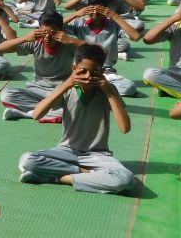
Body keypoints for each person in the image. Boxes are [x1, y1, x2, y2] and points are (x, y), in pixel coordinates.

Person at [18, 44, 134, 194]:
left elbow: (125, 128)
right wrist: (66, 85)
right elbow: (37, 114)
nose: (88, 76)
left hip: (97, 155)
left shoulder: (109, 90)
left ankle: (55, 177)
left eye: (94, 72)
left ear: (102, 71)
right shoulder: (67, 88)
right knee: (27, 160)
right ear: (74, 69)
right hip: (66, 151)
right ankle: (86, 174)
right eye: (82, 71)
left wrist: (109, 92)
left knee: (125, 179)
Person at [0, 11, 84, 122]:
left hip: (61, 90)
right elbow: (0, 48)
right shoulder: (35, 42)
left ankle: (28, 113)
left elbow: (100, 52)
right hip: (37, 89)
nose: (47, 36)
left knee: (80, 102)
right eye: (43, 32)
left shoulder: (68, 44)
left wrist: (73, 41)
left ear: (60, 31)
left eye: (52, 32)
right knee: (6, 95)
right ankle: (50, 111)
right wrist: (25, 38)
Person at [63, 0, 140, 96]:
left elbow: (136, 36)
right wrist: (75, 14)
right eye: (92, 9)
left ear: (106, 10)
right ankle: (97, 87)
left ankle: (95, 86)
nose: (95, 12)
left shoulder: (113, 25)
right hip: (83, 70)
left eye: (99, 9)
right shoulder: (80, 23)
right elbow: (57, 27)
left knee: (129, 88)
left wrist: (114, 16)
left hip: (106, 71)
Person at [142, 8, 181, 97]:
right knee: (150, 74)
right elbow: (148, 39)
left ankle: (172, 89)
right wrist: (173, 18)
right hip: (177, 75)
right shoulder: (176, 27)